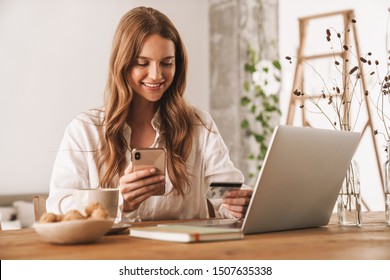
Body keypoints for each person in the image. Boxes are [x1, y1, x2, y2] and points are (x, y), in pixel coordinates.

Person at [46, 6, 252, 222]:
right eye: (142, 63)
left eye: (167, 63)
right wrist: (119, 203)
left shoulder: (197, 124)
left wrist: (240, 204)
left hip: (185, 253)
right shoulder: (85, 130)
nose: (156, 75)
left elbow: (223, 192)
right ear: (122, 64)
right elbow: (59, 208)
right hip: (112, 254)